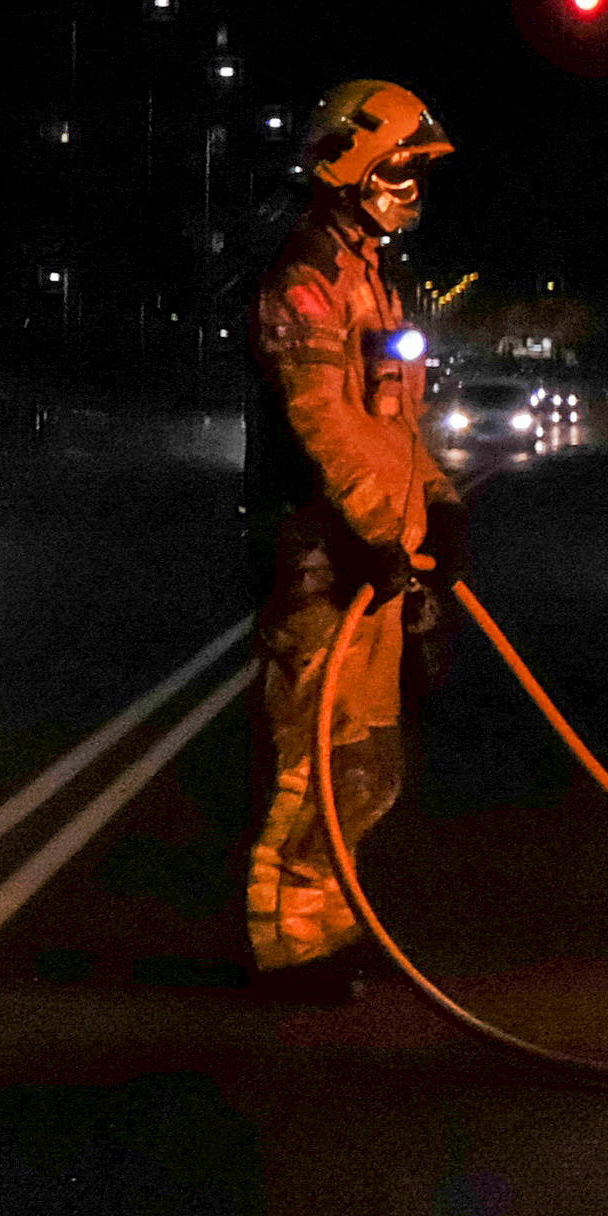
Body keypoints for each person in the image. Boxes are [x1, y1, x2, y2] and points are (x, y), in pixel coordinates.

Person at [243, 80, 454, 995]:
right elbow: (322, 421)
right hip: (326, 561)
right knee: (314, 763)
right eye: (399, 170)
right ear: (349, 167)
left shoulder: (370, 278)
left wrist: (438, 503)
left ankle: (327, 924)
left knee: (365, 765)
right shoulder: (307, 281)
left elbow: (393, 423)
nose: (412, 190)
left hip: (376, 560)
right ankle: (286, 947)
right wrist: (372, 531)